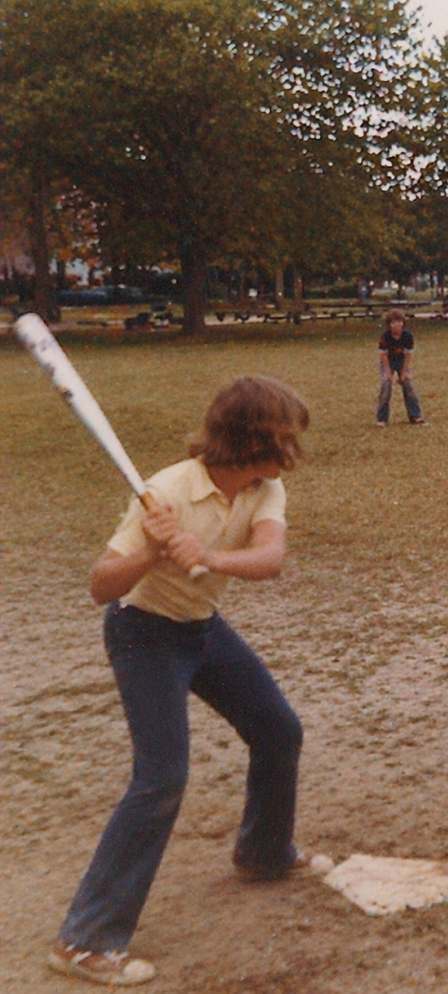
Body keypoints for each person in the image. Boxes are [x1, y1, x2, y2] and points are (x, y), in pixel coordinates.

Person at [48, 376, 310, 986]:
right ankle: (83, 940)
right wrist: (152, 553)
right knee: (162, 777)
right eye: (285, 437)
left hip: (199, 625)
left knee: (278, 729)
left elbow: (268, 561)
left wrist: (208, 556)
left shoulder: (264, 488)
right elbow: (101, 586)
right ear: (255, 440)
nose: (292, 450)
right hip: (143, 632)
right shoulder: (166, 491)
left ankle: (263, 852)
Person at [376, 309, 426, 426]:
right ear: (389, 325)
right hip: (388, 361)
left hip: (402, 361)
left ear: (403, 322)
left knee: (409, 385)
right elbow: (383, 355)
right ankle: (382, 418)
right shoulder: (385, 337)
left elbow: (408, 355)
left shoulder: (408, 336)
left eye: (399, 322)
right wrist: (388, 373)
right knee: (386, 386)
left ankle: (416, 416)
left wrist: (403, 373)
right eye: (393, 323)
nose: (397, 325)